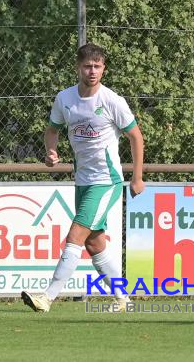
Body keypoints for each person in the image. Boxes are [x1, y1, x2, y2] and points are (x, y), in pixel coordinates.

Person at [22, 43, 145, 312]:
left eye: (97, 66)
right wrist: (50, 152)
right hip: (82, 181)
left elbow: (136, 137)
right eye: (88, 66)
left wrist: (137, 177)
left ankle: (47, 298)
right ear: (78, 67)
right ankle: (123, 299)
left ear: (104, 69)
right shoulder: (65, 98)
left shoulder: (112, 100)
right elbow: (52, 130)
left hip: (106, 181)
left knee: (76, 234)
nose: (92, 71)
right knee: (94, 241)